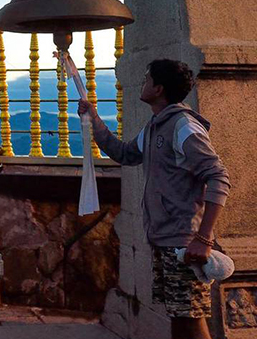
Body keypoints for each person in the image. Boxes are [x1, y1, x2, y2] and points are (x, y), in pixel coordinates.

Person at [78, 58, 230, 339]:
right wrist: (95, 120)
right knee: (180, 317)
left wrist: (204, 238)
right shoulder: (156, 127)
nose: (143, 82)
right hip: (166, 239)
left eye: (147, 78)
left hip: (185, 243)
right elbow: (124, 153)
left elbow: (218, 176)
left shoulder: (184, 127)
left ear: (158, 89)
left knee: (190, 318)